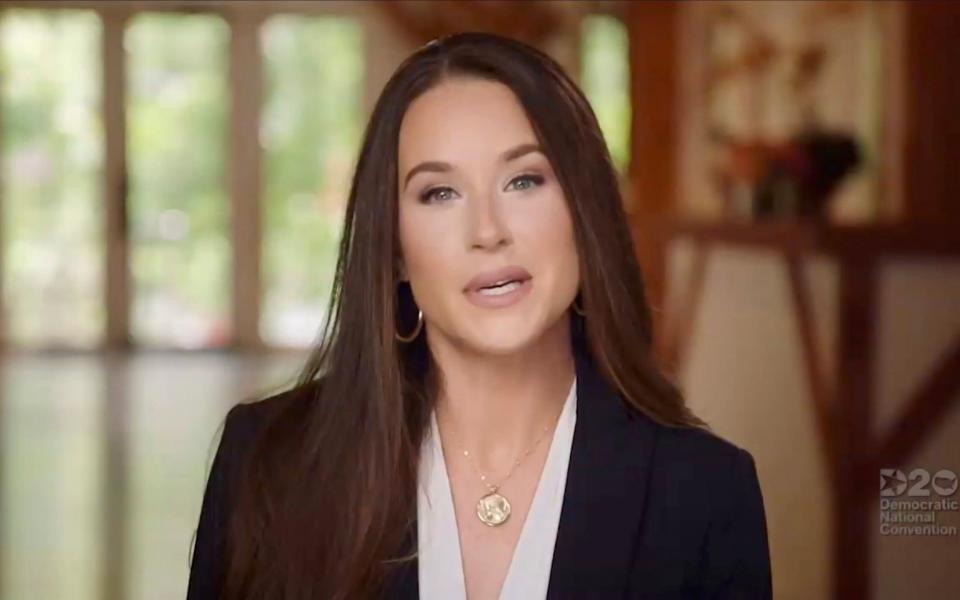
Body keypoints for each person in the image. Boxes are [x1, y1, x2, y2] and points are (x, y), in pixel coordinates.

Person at [186, 32, 772, 600]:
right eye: (439, 193)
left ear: (583, 211)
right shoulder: (268, 464)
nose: (488, 231)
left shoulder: (705, 492)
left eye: (524, 180)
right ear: (394, 251)